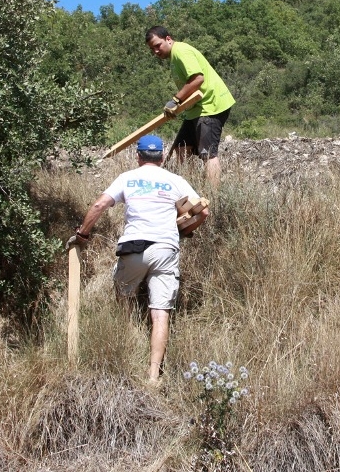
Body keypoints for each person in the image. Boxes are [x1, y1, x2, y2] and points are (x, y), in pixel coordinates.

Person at [67, 134, 208, 384]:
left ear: (138, 156)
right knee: (161, 313)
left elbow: (100, 205)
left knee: (124, 298)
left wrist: (83, 234)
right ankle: (154, 375)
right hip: (166, 248)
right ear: (163, 157)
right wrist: (186, 230)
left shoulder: (127, 178)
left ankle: (130, 347)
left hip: (134, 247)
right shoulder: (175, 180)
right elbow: (203, 209)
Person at [145, 25, 236, 186]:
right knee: (182, 148)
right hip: (194, 110)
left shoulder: (181, 51)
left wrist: (176, 100)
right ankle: (189, 190)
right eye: (152, 49)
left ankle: (211, 198)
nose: (156, 52)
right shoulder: (174, 57)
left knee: (207, 154)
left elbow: (197, 79)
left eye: (157, 46)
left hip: (210, 106)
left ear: (168, 39)